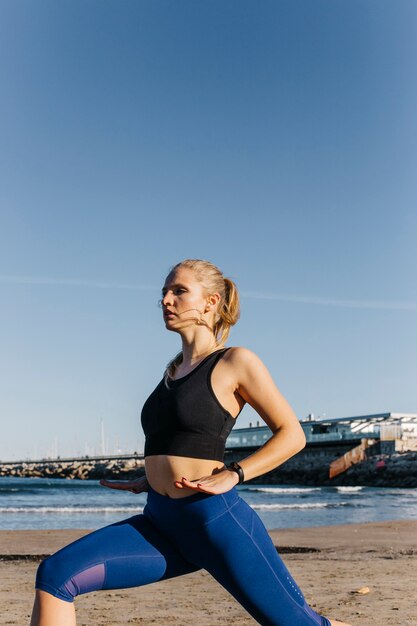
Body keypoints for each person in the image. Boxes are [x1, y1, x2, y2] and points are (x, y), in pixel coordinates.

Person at [30, 259, 352, 626]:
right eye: (165, 292)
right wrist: (151, 476)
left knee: (301, 624)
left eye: (179, 291)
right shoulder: (170, 372)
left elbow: (292, 435)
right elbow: (179, 440)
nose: (166, 299)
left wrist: (235, 473)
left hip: (216, 525)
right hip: (160, 522)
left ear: (211, 302)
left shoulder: (235, 361)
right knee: (56, 575)